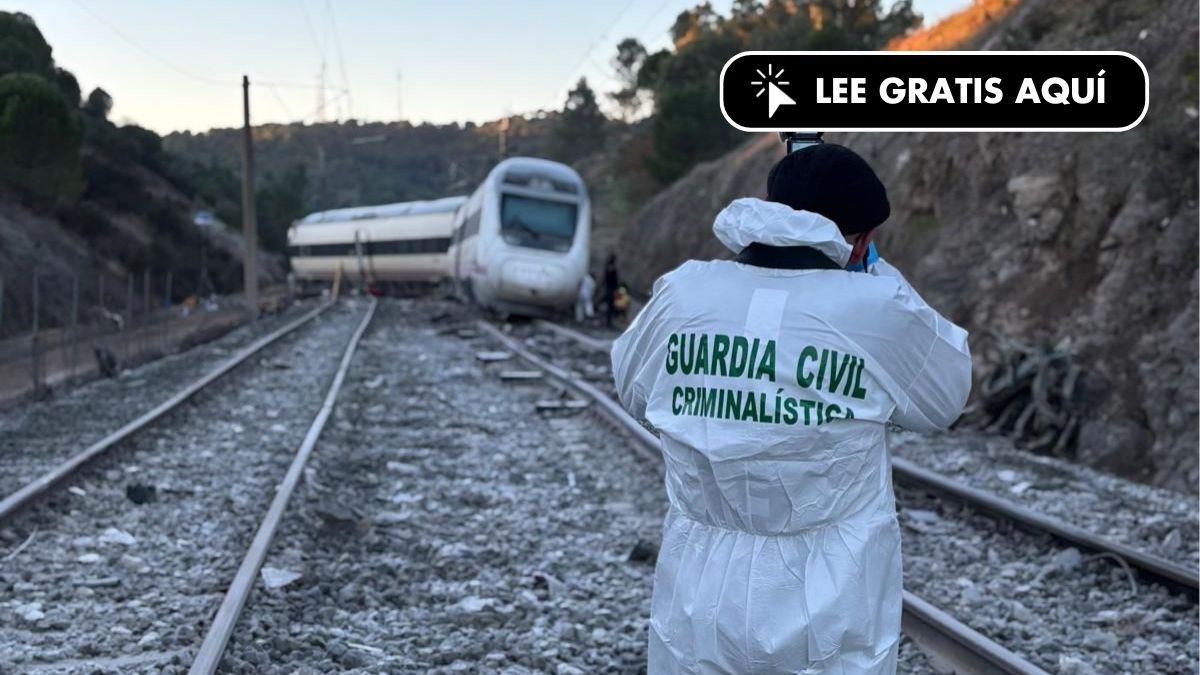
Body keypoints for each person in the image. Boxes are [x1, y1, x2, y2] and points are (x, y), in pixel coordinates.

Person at [611, 143, 972, 675]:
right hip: (829, 595)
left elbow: (633, 390)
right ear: (862, 240)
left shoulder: (682, 292)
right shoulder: (877, 309)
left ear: (768, 207)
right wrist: (878, 273)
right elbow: (946, 398)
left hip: (700, 586)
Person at [603, 253, 620, 327]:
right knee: (610, 306)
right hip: (611, 289)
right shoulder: (613, 269)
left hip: (608, 288)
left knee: (609, 305)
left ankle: (608, 321)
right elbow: (615, 280)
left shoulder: (607, 267)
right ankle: (608, 322)